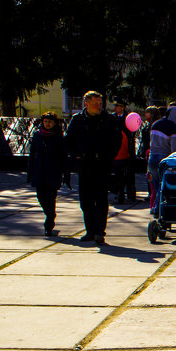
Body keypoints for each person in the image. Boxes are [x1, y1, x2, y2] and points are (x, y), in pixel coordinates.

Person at [65, 91, 121, 245]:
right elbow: (68, 140)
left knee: (101, 200)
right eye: (95, 103)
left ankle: (99, 231)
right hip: (85, 164)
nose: (99, 106)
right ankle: (89, 230)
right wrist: (76, 154)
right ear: (87, 104)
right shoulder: (77, 120)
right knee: (85, 200)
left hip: (102, 164)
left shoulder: (108, 119)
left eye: (100, 103)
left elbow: (117, 140)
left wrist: (109, 156)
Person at [27, 112, 70, 237]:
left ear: (55, 123)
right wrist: (30, 172)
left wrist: (66, 174)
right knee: (41, 197)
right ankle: (50, 214)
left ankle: (49, 224)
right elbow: (32, 154)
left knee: (51, 199)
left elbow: (64, 157)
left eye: (50, 121)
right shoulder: (37, 135)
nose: (47, 123)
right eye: (45, 121)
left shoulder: (59, 137)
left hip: (53, 172)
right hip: (40, 171)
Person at [147, 104, 176, 210]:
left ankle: (156, 207)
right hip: (164, 159)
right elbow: (175, 150)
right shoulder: (173, 127)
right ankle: (158, 208)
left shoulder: (155, 124)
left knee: (156, 185)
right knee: (163, 186)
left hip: (152, 158)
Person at [109, 97, 138, 204]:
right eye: (115, 106)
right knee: (118, 174)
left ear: (123, 107)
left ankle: (131, 193)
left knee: (130, 173)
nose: (116, 108)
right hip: (116, 150)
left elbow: (132, 131)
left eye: (118, 106)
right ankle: (119, 193)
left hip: (127, 148)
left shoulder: (128, 117)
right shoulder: (112, 117)